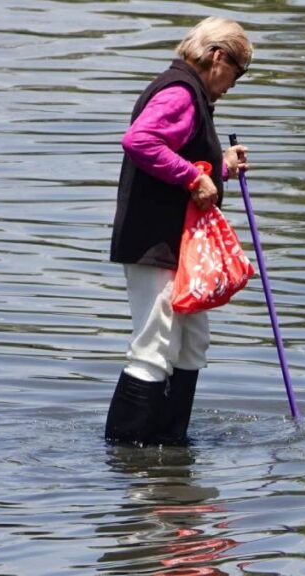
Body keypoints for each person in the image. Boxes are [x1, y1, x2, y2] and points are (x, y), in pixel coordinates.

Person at [105, 16, 253, 446]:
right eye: (236, 74)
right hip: (154, 242)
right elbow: (141, 141)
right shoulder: (180, 92)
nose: (232, 86)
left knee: (191, 343)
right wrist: (192, 177)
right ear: (217, 56)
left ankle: (171, 444)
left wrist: (219, 165)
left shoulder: (194, 97)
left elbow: (180, 153)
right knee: (154, 344)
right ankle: (127, 453)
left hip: (181, 245)